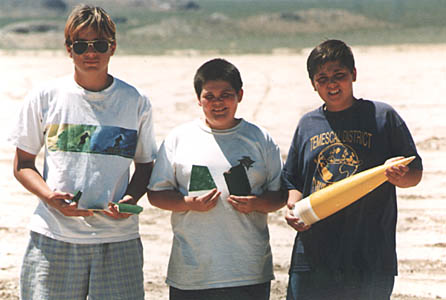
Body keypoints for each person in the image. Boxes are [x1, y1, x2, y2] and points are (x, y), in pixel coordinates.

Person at [8, 5, 157, 299]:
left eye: (99, 44)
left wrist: (129, 200)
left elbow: (145, 166)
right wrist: (49, 197)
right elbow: (23, 163)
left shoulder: (135, 101)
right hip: (54, 236)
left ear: (112, 47)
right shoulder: (45, 96)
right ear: (68, 49)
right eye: (81, 45)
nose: (91, 53)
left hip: (118, 239)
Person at [282, 39, 423, 300]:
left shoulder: (382, 117)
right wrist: (293, 208)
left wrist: (400, 177)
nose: (332, 84)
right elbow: (292, 180)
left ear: (353, 75)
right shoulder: (307, 125)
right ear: (313, 83)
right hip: (313, 255)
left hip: (370, 255)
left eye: (339, 75)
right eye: (322, 78)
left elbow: (414, 173)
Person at [147, 58, 285, 300]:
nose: (218, 102)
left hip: (248, 270)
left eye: (226, 94)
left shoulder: (260, 139)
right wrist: (187, 204)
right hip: (192, 272)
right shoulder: (179, 138)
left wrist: (255, 204)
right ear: (198, 99)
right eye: (209, 96)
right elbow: (156, 194)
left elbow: (279, 195)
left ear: (240, 95)